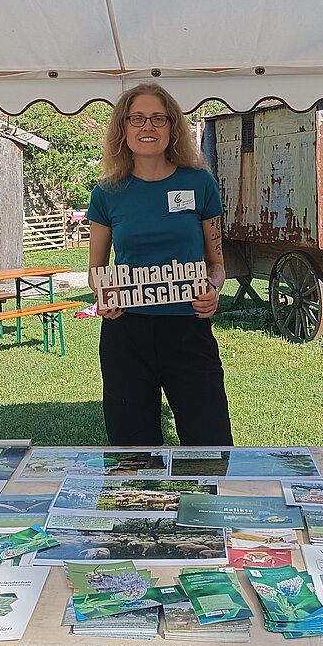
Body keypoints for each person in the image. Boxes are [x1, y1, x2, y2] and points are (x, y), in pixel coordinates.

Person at [87, 82, 233, 446]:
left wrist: (213, 290)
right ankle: (145, 505)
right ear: (123, 127)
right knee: (133, 451)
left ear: (172, 128)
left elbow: (216, 264)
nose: (147, 127)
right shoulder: (107, 192)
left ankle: (208, 505)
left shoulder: (199, 184)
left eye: (158, 118)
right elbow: (95, 270)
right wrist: (105, 292)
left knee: (210, 444)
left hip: (188, 331)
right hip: (126, 335)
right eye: (137, 118)